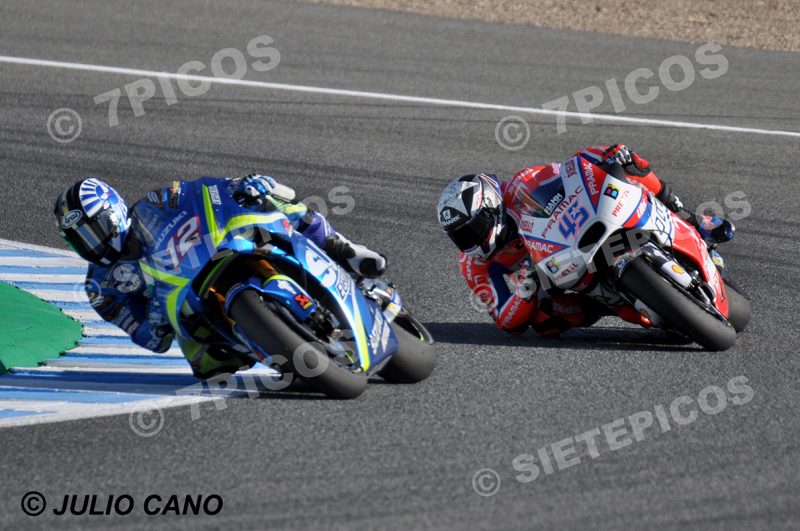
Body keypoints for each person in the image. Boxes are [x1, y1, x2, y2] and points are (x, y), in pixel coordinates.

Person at [54, 174, 386, 378]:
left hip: (217, 248)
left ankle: (348, 251)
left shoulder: (154, 202)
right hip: (183, 309)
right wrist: (154, 322)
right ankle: (276, 349)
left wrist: (241, 184)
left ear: (113, 212)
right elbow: (149, 341)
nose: (93, 243)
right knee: (209, 367)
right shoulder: (100, 286)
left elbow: (205, 191)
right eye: (81, 239)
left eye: (96, 229)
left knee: (277, 200)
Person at [436, 144, 734, 337]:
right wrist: (525, 290)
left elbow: (571, 172)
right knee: (543, 322)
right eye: (461, 236)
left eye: (474, 228)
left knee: (622, 158)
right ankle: (617, 302)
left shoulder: (522, 184)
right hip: (560, 278)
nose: (471, 241)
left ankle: (689, 217)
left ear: (492, 207)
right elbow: (505, 318)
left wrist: (604, 159)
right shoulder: (474, 266)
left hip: (579, 231)